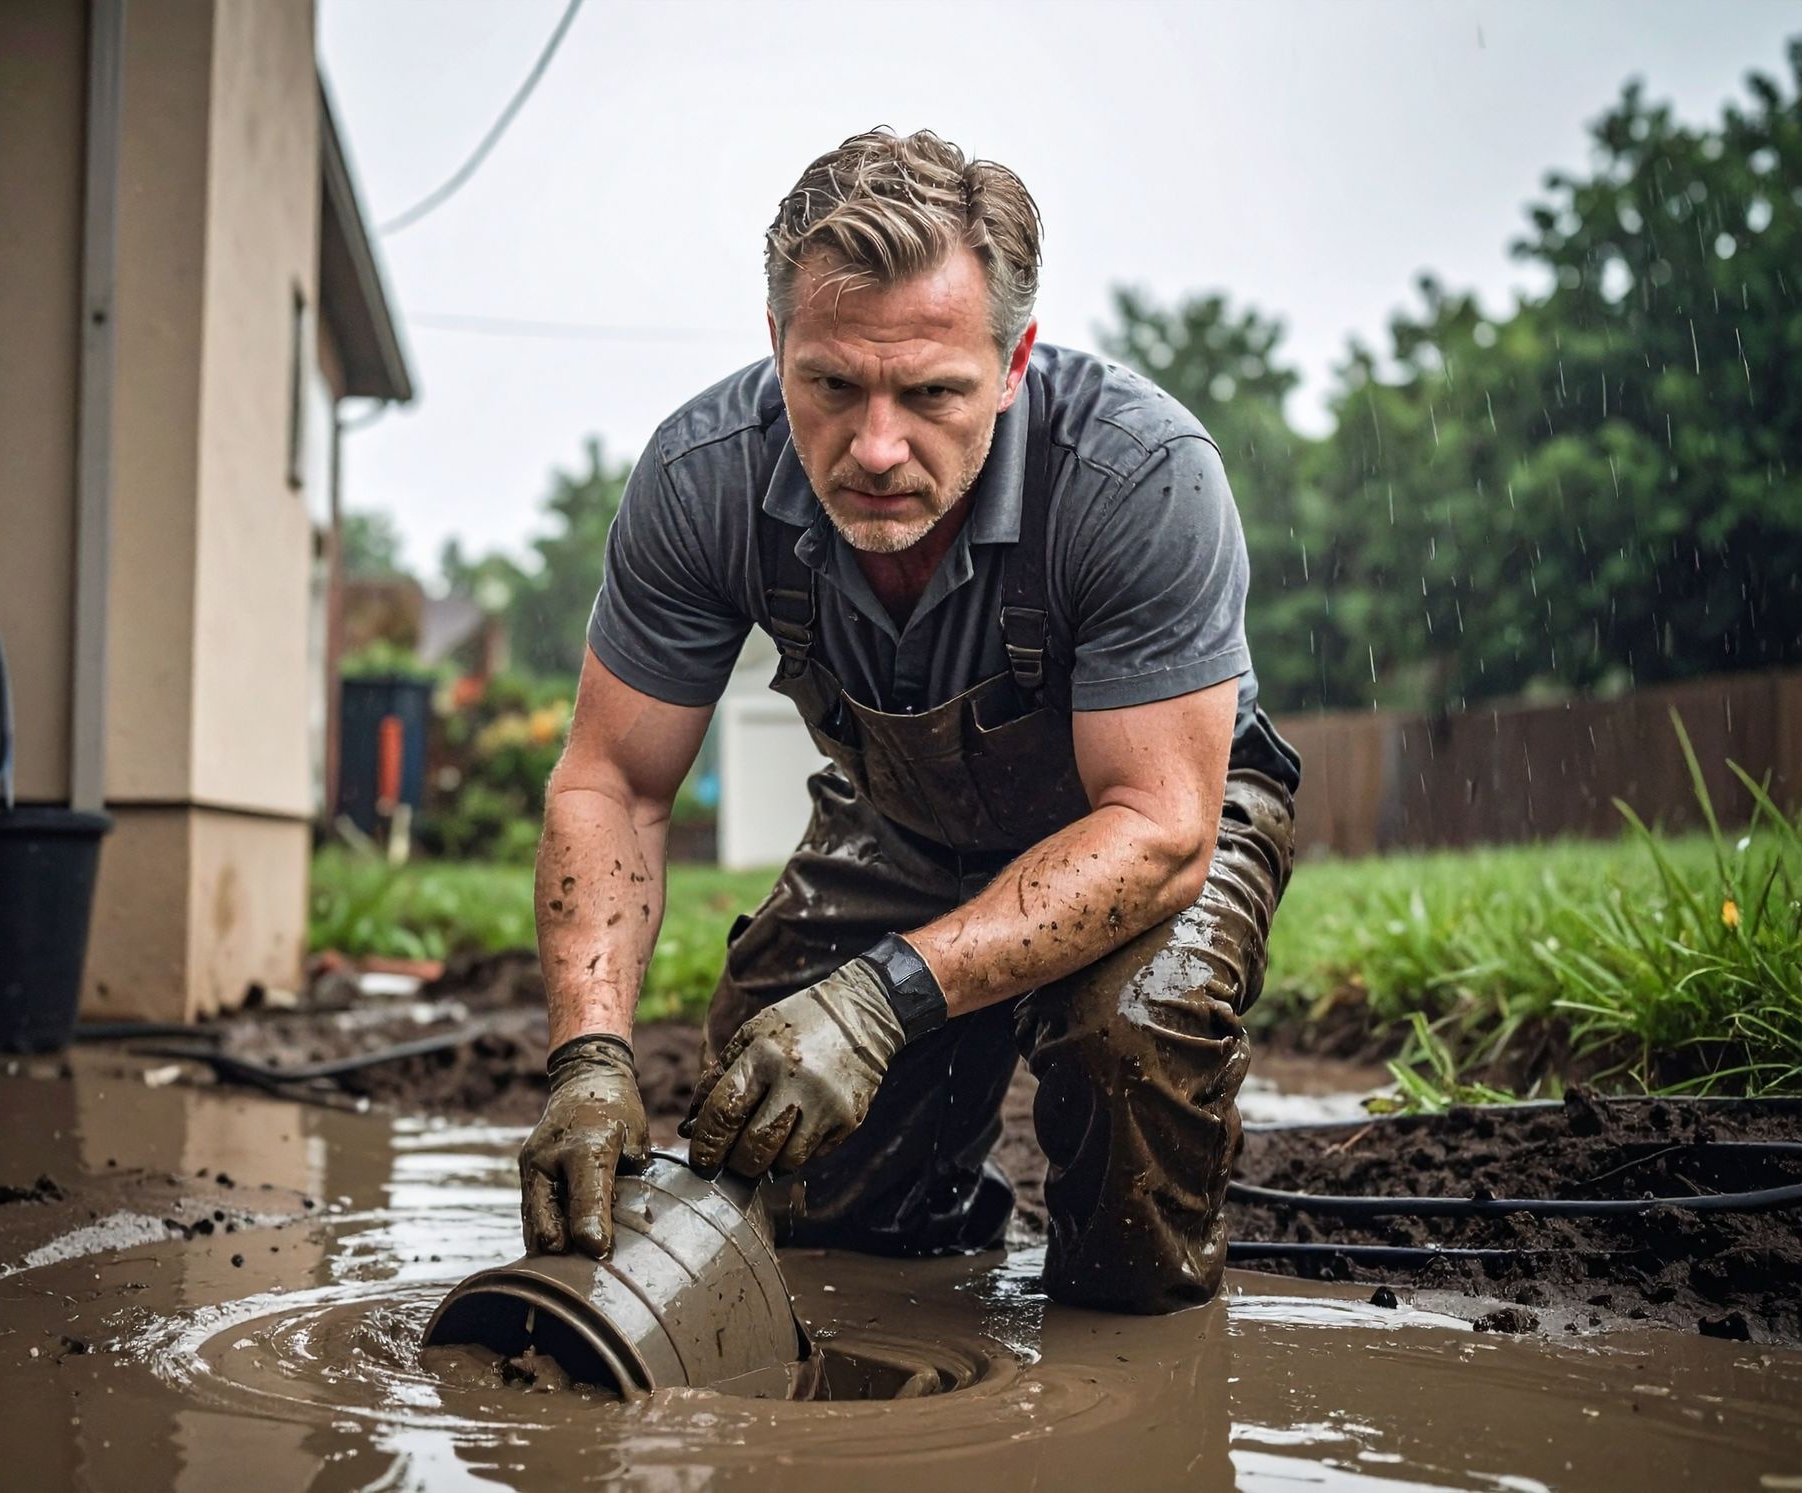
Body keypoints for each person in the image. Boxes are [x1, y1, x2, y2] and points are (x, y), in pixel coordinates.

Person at [517, 128, 1300, 1313]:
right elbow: (612, 785)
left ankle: (1136, 1353)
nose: (877, 448)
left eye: (933, 393)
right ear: (777, 343)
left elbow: (1160, 827)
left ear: (1015, 358)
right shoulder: (702, 478)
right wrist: (589, 1054)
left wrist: (884, 996)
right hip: (903, 820)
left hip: (1146, 813)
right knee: (773, 1122)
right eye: (831, 385)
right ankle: (942, 1251)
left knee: (1124, 1042)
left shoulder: (1140, 475)